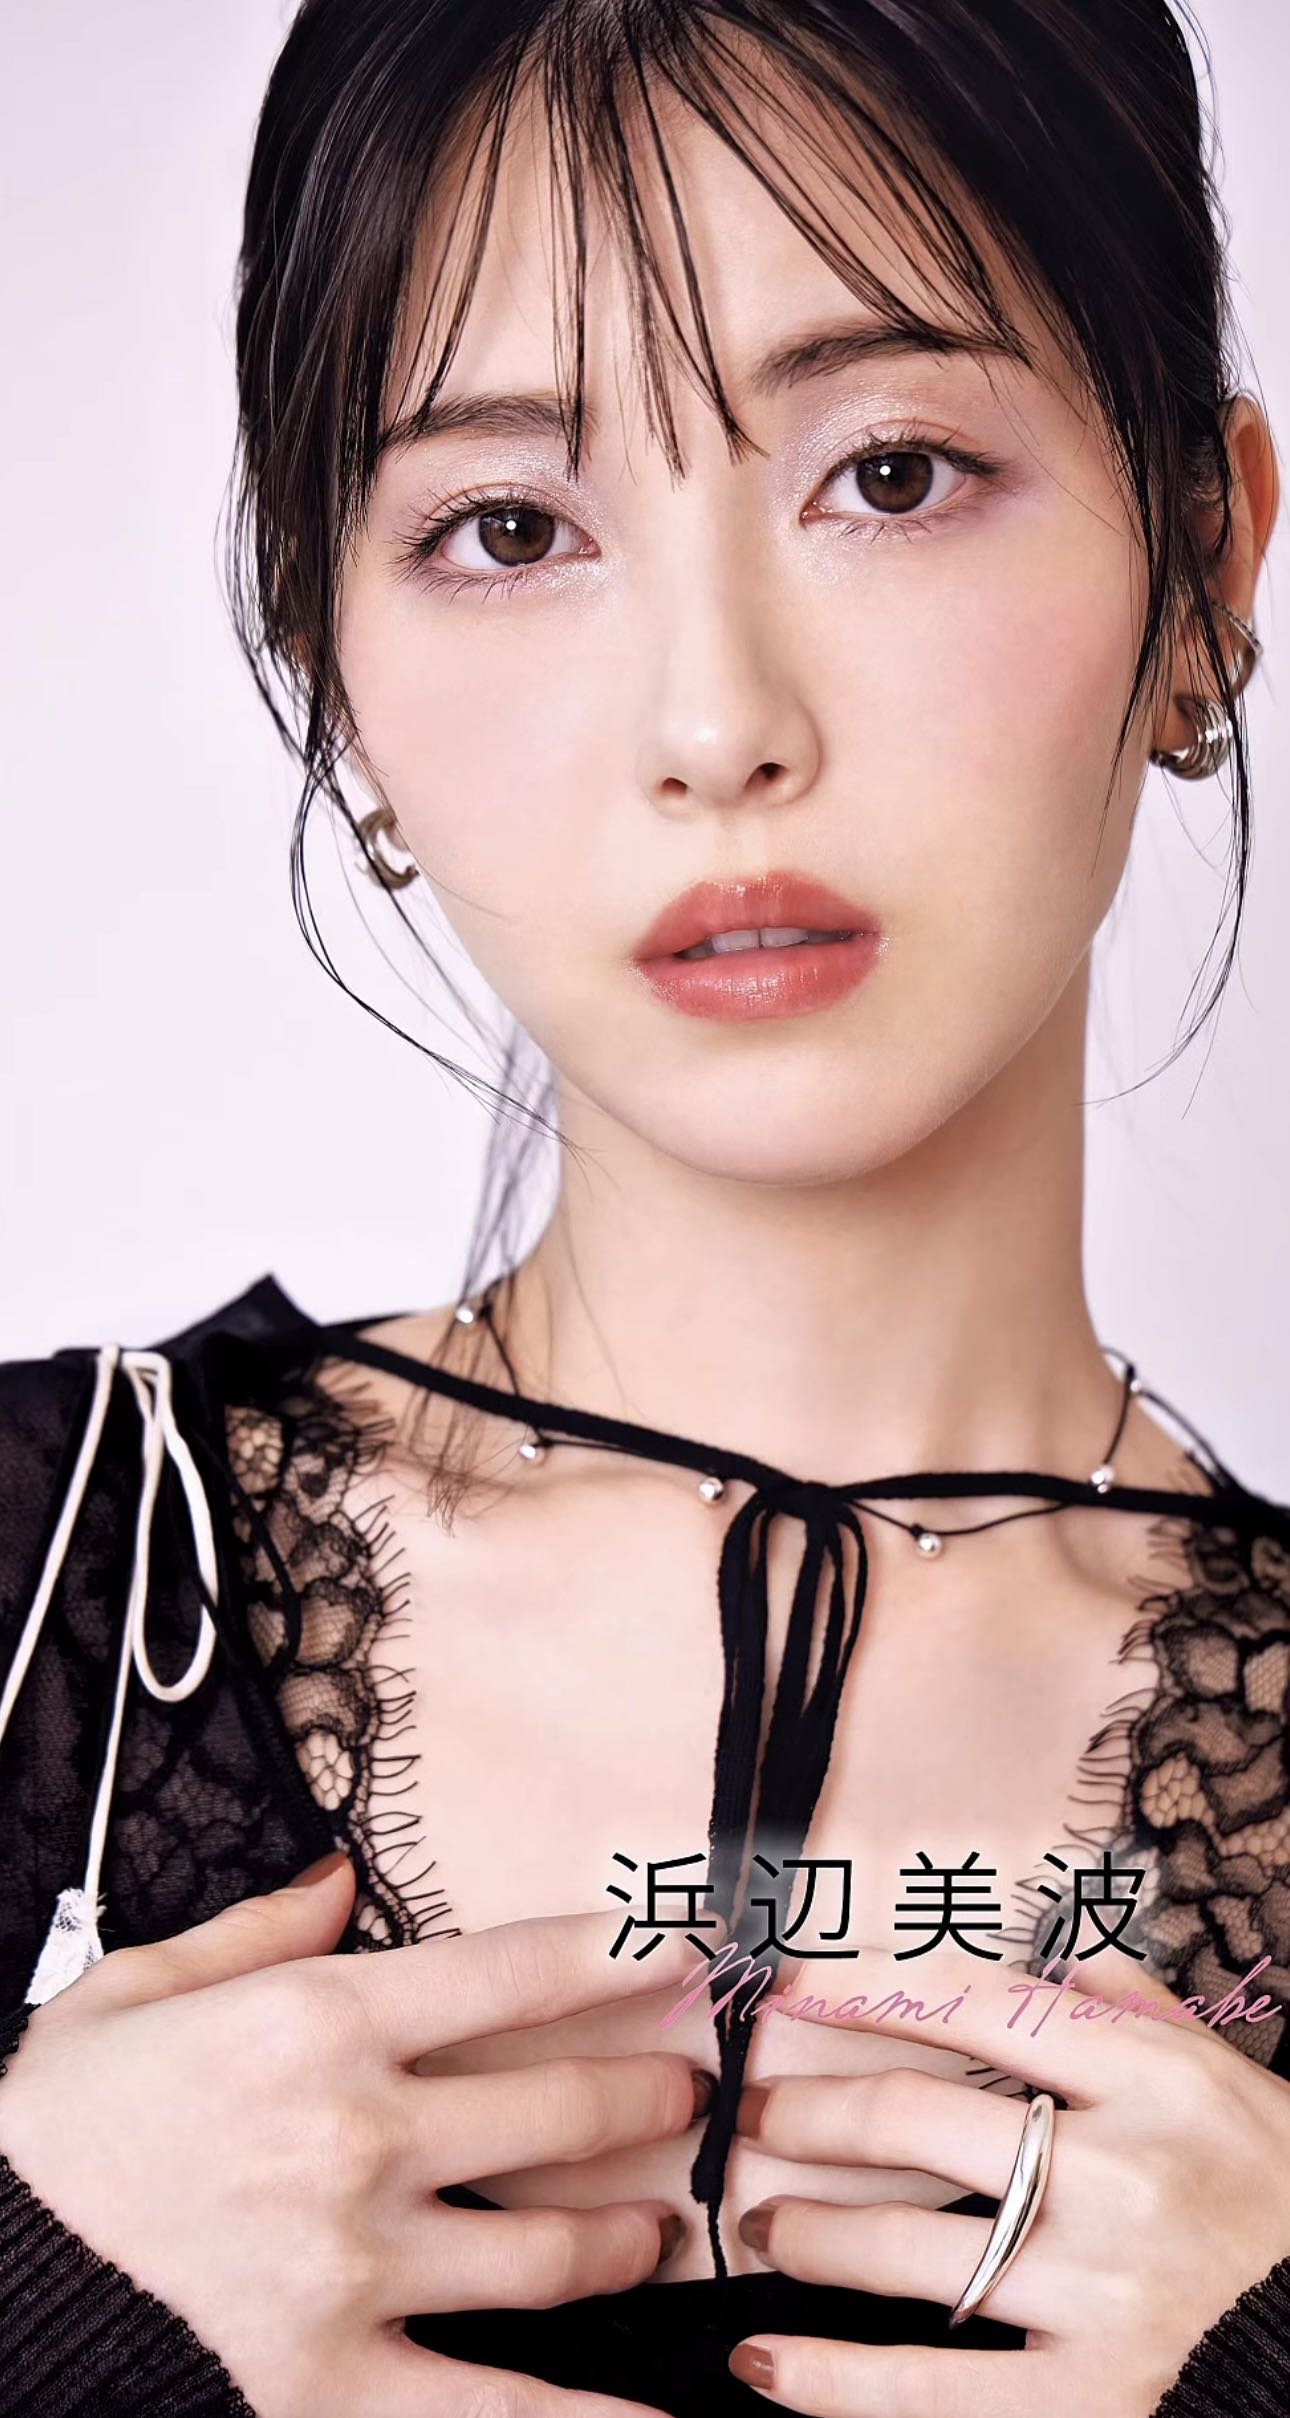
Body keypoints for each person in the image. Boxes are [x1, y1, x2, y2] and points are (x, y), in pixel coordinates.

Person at [0, 0, 1288, 2413]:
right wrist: (41, 2315)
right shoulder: (46, 1583)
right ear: (329, 660)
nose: (718, 724)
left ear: (1206, 562)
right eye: (511, 530)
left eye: (893, 474)